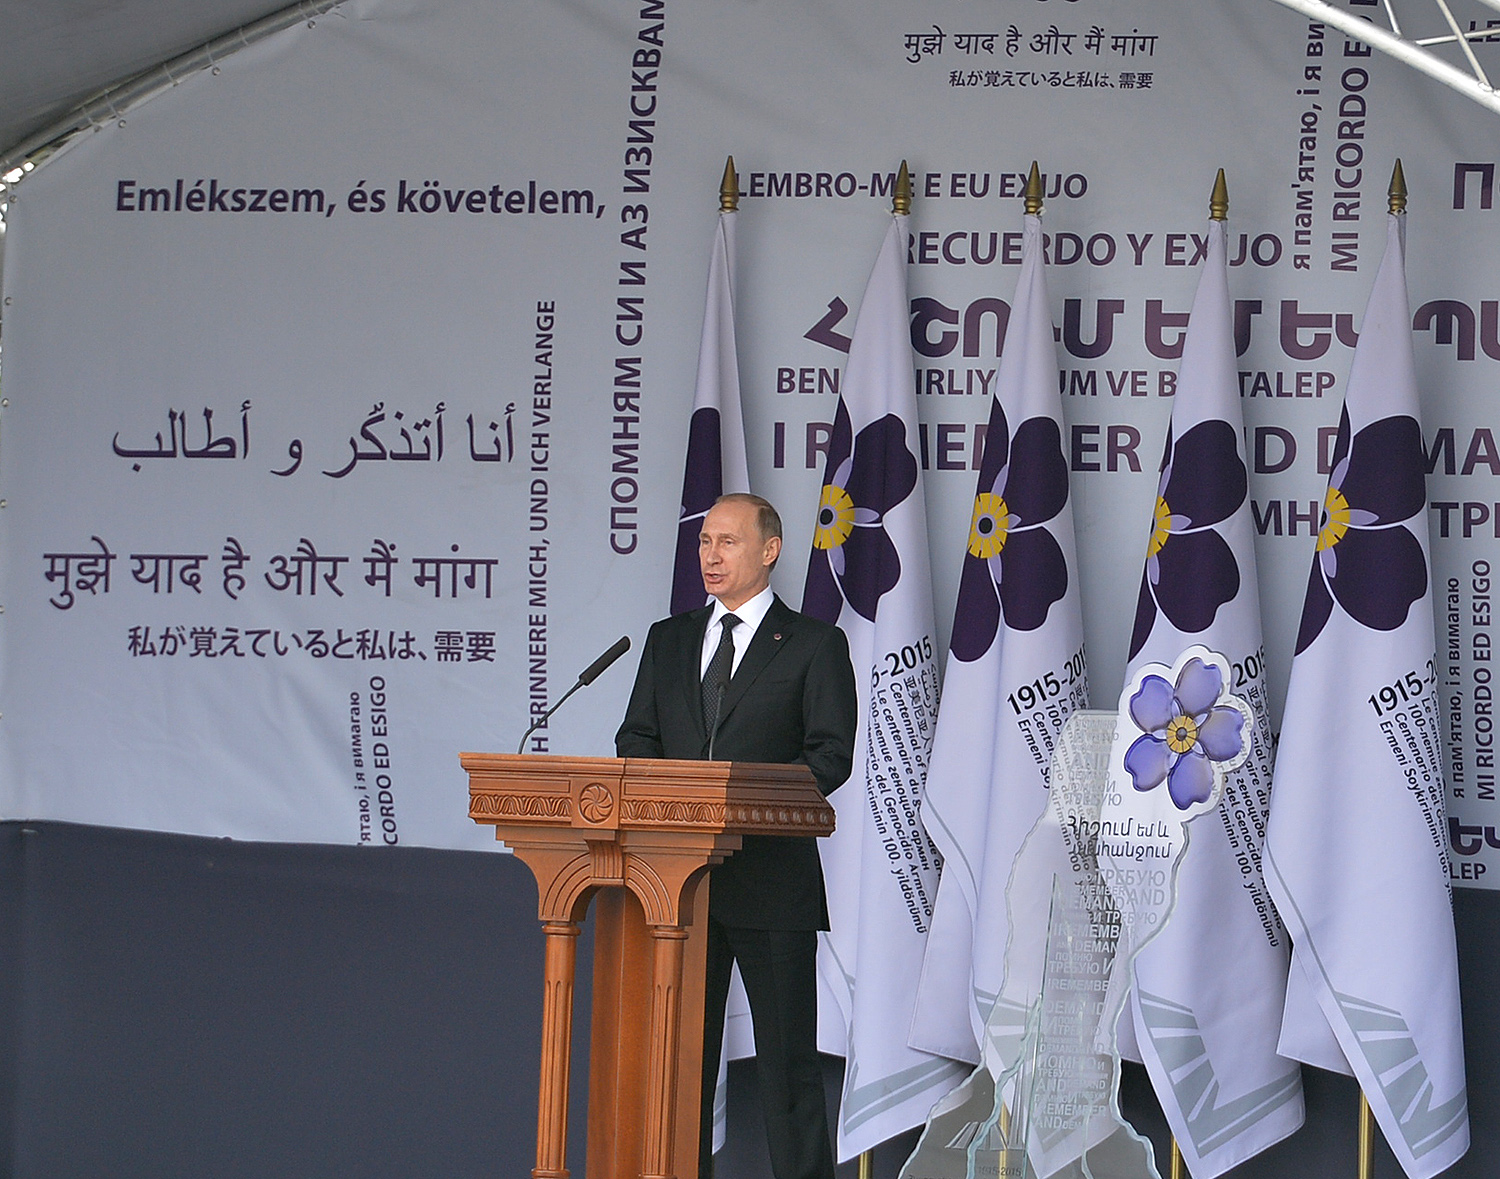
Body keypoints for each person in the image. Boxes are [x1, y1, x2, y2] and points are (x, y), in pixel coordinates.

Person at [616, 492, 856, 1179]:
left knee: (788, 1068)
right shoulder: (668, 639)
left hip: (771, 882)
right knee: (679, 1062)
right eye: (704, 542)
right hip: (677, 888)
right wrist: (673, 802)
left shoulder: (813, 644)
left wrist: (738, 800)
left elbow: (829, 755)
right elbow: (636, 738)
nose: (711, 555)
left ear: (769, 550)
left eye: (727, 541)